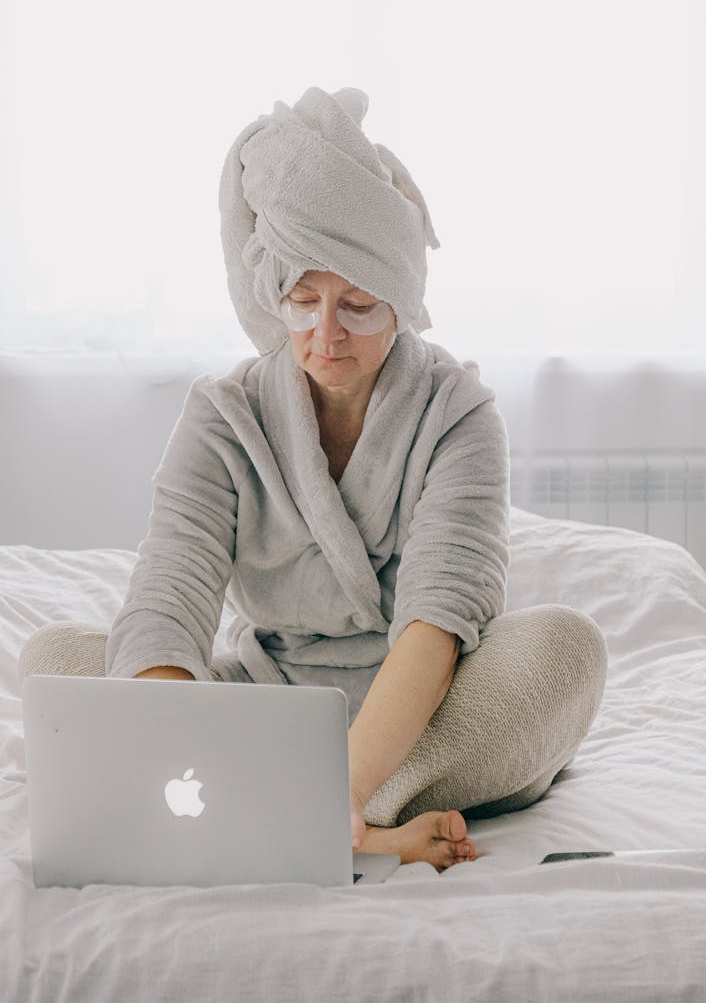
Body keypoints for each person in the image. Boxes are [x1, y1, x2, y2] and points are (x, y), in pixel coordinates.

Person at [17, 86, 608, 873]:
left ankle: (325, 812)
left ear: (400, 300)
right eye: (303, 299)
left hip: (429, 709)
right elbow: (168, 598)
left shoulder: (459, 415)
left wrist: (341, 787)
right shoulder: (224, 417)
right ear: (275, 294)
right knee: (56, 658)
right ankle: (364, 828)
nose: (326, 334)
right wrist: (168, 735)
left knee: (565, 649)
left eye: (358, 304)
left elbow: (436, 624)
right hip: (269, 702)